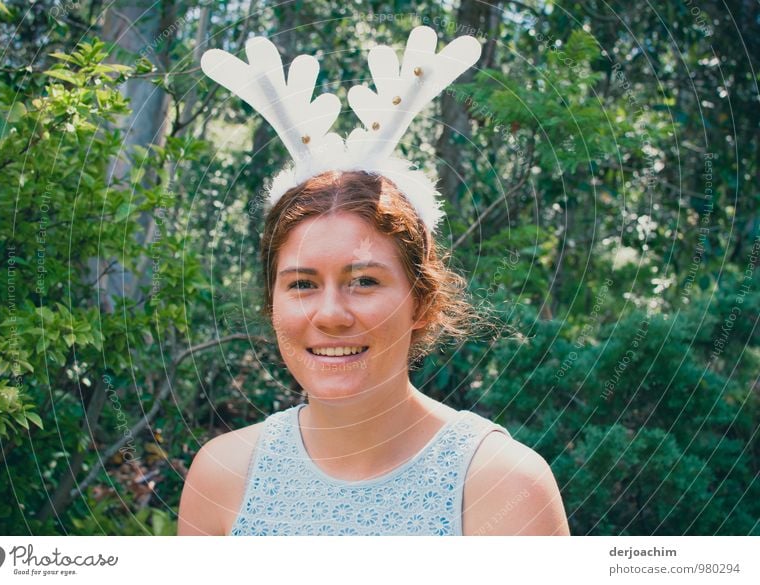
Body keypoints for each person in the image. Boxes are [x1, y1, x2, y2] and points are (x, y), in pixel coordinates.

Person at [177, 26, 570, 536]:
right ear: (271, 302)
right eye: (301, 284)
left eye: (363, 281)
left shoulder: (503, 486)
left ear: (422, 301)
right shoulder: (223, 475)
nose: (331, 314)